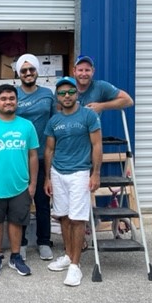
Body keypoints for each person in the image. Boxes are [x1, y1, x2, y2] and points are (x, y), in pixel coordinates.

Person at [0, 84, 39, 277]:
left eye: (11, 98)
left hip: (20, 185)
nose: (8, 102)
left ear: (17, 101)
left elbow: (33, 156)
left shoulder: (27, 126)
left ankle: (16, 256)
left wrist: (33, 183)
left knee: (17, 222)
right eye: (3, 99)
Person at [44, 77, 102, 287]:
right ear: (57, 97)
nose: (66, 96)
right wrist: (47, 177)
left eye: (70, 92)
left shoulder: (88, 115)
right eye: (62, 93)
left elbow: (97, 145)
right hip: (58, 173)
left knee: (77, 219)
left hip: (80, 173)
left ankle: (75, 266)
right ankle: (68, 255)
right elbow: (49, 149)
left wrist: (95, 173)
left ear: (77, 93)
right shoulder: (54, 121)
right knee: (63, 217)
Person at [15, 54, 54, 261]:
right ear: (19, 74)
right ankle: (20, 243)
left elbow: (55, 120)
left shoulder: (48, 94)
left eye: (31, 70)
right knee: (20, 203)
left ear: (37, 71)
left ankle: (44, 241)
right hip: (18, 157)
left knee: (42, 201)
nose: (28, 73)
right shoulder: (13, 95)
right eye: (24, 70)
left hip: (42, 155)